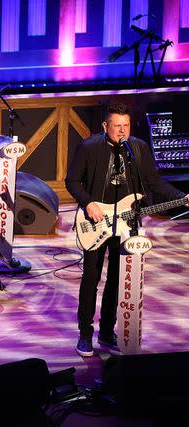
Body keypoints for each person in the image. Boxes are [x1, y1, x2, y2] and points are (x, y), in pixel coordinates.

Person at [65, 103, 187, 357]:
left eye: (126, 126)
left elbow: (154, 182)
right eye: (117, 126)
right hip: (96, 221)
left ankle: (107, 331)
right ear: (105, 126)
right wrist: (88, 203)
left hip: (127, 223)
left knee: (117, 280)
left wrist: (183, 197)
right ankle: (85, 334)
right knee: (91, 278)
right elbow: (72, 181)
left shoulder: (139, 149)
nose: (122, 131)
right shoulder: (88, 147)